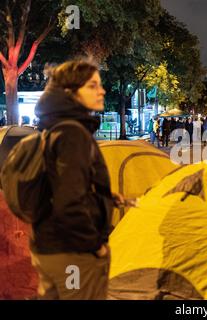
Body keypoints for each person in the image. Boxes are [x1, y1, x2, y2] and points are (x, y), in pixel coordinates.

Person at [31, 59, 120, 300]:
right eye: (92, 86)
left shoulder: (55, 127)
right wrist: (94, 246)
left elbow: (58, 184)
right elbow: (69, 203)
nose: (102, 91)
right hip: (73, 252)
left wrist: (105, 197)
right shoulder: (73, 133)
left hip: (48, 245)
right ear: (70, 92)